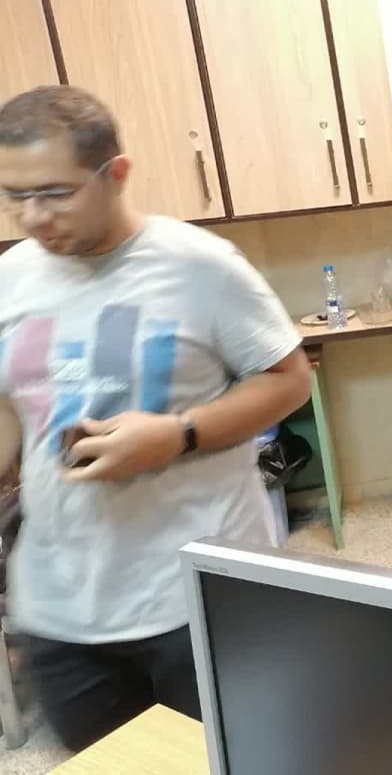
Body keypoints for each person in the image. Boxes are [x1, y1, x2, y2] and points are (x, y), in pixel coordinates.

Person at [0, 86, 311, 750]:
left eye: (54, 192)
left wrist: (177, 435)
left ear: (116, 173)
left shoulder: (200, 266)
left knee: (236, 758)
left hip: (195, 595)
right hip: (62, 608)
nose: (32, 216)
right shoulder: (11, 276)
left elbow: (289, 380)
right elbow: (12, 411)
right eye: (14, 195)